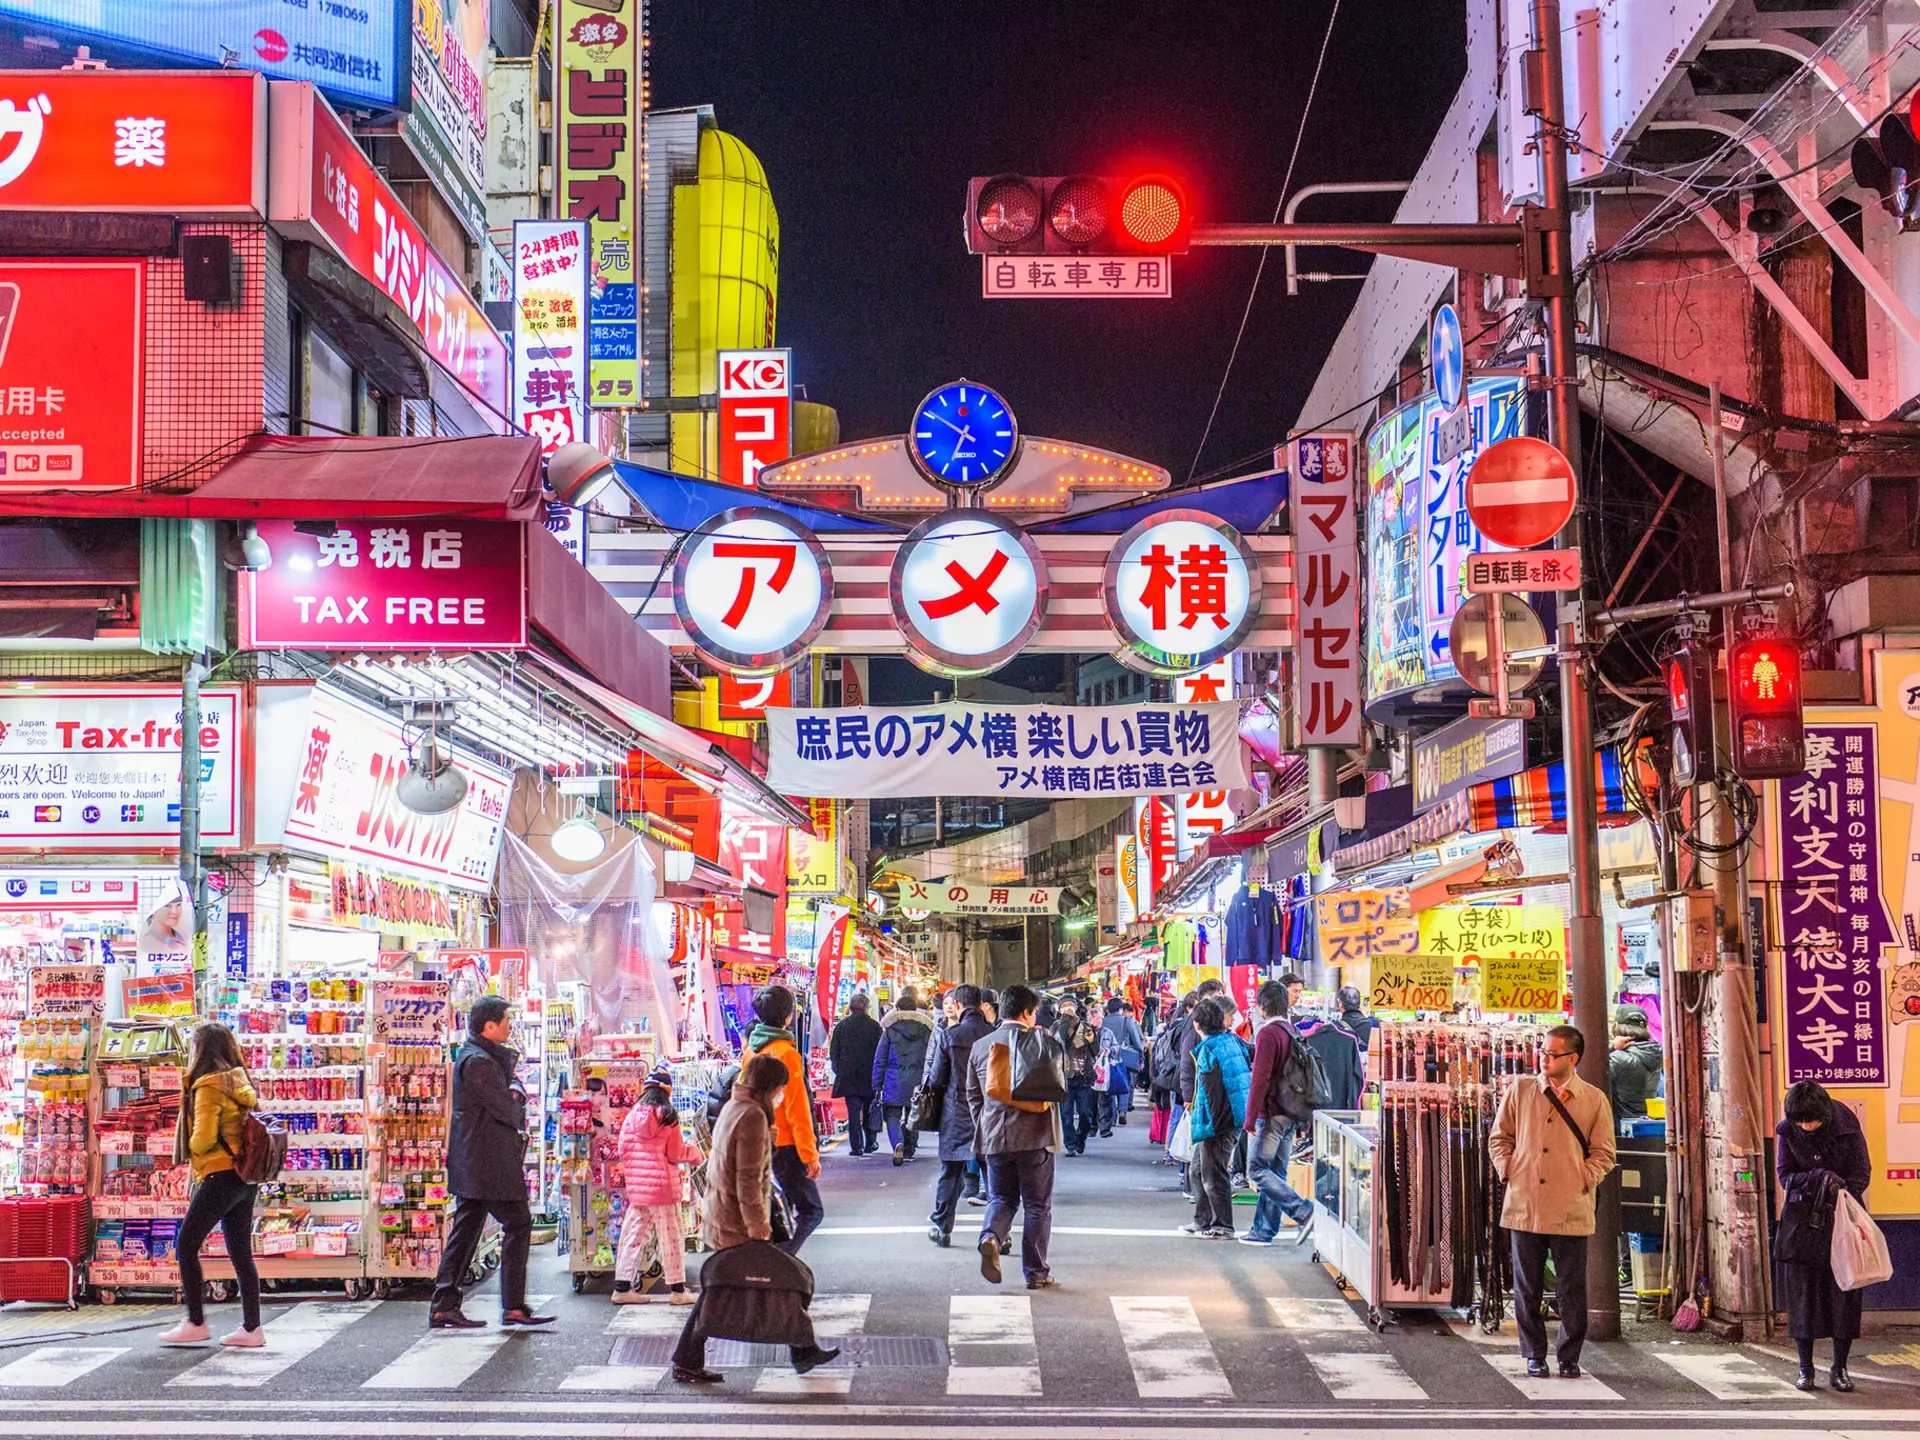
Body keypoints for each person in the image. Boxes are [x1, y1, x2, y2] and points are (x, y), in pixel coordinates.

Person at [672, 1054, 838, 1383]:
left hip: (725, 1211)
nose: (780, 1096)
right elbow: (748, 1180)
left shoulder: (738, 1106)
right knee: (747, 1282)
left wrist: (769, 1143)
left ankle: (802, 1349)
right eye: (779, 1090)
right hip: (737, 1218)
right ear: (769, 1087)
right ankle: (688, 1359)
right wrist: (758, 1227)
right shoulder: (752, 1116)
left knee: (752, 1281)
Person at [1487, 1024, 1615, 1379]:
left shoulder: (1593, 1099)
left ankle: (1570, 1355)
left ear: (1572, 1058)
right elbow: (1500, 1137)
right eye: (1542, 1052)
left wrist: (1582, 1178)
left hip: (1570, 1205)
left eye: (1552, 1054)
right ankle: (1534, 1353)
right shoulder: (1521, 1090)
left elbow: (1604, 1152)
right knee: (1526, 1284)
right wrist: (1510, 1169)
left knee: (1571, 1286)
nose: (1544, 1059)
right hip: (1524, 1202)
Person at [427, 998, 550, 1330]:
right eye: (506, 1019)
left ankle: (446, 1304)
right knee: (518, 1222)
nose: (510, 1025)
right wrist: (517, 1092)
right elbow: (507, 1110)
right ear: (489, 1026)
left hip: (477, 1160)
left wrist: (513, 1087)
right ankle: (511, 1306)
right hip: (487, 1161)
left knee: (466, 1231)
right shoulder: (479, 1062)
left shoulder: (477, 1057)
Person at [160, 1023, 265, 1347]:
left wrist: (188, 1147)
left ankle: (195, 1321)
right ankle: (252, 1328)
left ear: (200, 1050)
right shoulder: (239, 1080)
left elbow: (204, 1139)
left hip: (219, 1174)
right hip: (245, 1178)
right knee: (240, 1253)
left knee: (187, 1244)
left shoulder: (208, 1085)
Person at [964, 984, 1064, 1289]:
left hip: (995, 1136)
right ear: (1026, 1012)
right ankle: (1036, 1273)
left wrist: (986, 1125)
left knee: (1002, 1197)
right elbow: (1058, 1086)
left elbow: (972, 1095)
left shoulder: (981, 1046)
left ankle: (991, 1237)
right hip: (1035, 1136)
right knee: (1036, 1205)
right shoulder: (1041, 1041)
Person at [1775, 1080, 1871, 1391]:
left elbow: (1862, 1172)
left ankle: (1840, 1369)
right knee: (1802, 1297)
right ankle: (1805, 1369)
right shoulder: (1788, 1130)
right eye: (1799, 1121)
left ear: (1825, 1114)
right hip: (1802, 1226)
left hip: (1841, 1223)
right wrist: (1818, 1178)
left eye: (1810, 1121)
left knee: (1844, 1295)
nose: (1805, 1127)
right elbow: (1784, 1175)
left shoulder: (1846, 1125)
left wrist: (1840, 1191)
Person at [612, 1065, 703, 1305]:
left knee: (632, 1237)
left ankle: (621, 1288)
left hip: (639, 1192)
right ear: (667, 1091)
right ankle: (677, 1291)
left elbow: (622, 1150)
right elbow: (675, 1154)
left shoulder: (631, 1117)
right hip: (663, 1190)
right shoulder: (668, 1118)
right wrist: (694, 1153)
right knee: (671, 1239)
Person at [746, 985, 824, 1254]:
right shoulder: (786, 1054)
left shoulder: (752, 1051)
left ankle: (776, 1260)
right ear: (788, 1016)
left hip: (760, 1142)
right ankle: (782, 1263)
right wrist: (809, 1153)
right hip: (787, 1145)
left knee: (780, 1211)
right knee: (811, 1211)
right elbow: (797, 1108)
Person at [1241, 980, 1316, 1246]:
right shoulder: (1290, 1029)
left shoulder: (1267, 1033)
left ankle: (1304, 1210)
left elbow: (1259, 1078)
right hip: (1290, 1112)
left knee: (1257, 1170)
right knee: (1276, 1171)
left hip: (1271, 1112)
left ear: (1262, 1007)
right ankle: (1263, 1231)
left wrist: (1249, 1118)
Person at [925, 983, 994, 1244]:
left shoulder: (950, 1035)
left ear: (959, 1005)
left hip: (955, 1112)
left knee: (950, 1173)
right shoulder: (994, 1034)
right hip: (989, 1112)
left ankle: (943, 1228)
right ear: (980, 1004)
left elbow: (935, 1079)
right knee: (992, 1172)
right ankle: (999, 1233)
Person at [1183, 998, 1251, 1238]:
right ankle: (1202, 1220)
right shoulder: (1232, 1042)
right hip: (1227, 1118)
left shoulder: (1209, 1050)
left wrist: (1214, 1126)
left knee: (1214, 1175)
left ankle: (1223, 1225)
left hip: (1218, 1122)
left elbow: (1213, 1092)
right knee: (1199, 1171)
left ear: (1198, 1025)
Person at [872, 987, 934, 1165]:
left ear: (897, 1010)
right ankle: (910, 1149)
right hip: (917, 1079)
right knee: (913, 1113)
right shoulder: (926, 1030)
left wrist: (877, 1085)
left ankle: (896, 1143)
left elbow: (880, 1058)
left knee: (892, 1114)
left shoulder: (890, 1030)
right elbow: (931, 1057)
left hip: (893, 1079)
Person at [828, 994, 883, 1157]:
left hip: (848, 1075)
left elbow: (834, 1051)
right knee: (869, 1110)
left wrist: (839, 1069)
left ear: (851, 1007)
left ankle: (856, 1146)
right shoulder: (875, 1027)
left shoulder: (842, 1026)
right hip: (870, 1075)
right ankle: (870, 1143)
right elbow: (881, 1053)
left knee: (853, 1112)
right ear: (867, 1007)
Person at [1054, 996, 1101, 1156]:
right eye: (1064, 1006)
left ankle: (1081, 1138)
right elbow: (1063, 1043)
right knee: (1066, 1115)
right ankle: (1071, 1145)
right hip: (1064, 1078)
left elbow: (1095, 1052)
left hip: (1084, 1077)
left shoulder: (1086, 1027)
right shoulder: (1055, 1028)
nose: (1068, 1008)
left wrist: (1092, 1041)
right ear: (1059, 1009)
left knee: (1086, 1114)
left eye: (1070, 1005)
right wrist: (1065, 1020)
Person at [1096, 997, 1145, 1135]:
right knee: (1124, 1084)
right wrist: (1141, 1057)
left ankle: (1111, 1118)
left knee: (1109, 1086)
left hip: (1105, 1059)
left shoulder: (1102, 1022)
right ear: (1120, 1009)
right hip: (1124, 1058)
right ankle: (1122, 1110)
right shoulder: (1127, 1021)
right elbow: (1137, 1042)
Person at [1607, 1005, 1663, 1121]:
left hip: (1621, 1126)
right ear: (1646, 1027)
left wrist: (1612, 1048)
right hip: (1648, 1122)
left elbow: (1592, 1078)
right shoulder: (1657, 1053)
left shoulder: (1618, 1058)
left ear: (1616, 1026)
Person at [1335, 986, 1379, 1062]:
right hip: (1372, 1070)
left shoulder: (1336, 1028)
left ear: (1340, 1004)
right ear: (1359, 1004)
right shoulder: (1375, 1024)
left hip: (1350, 1071)